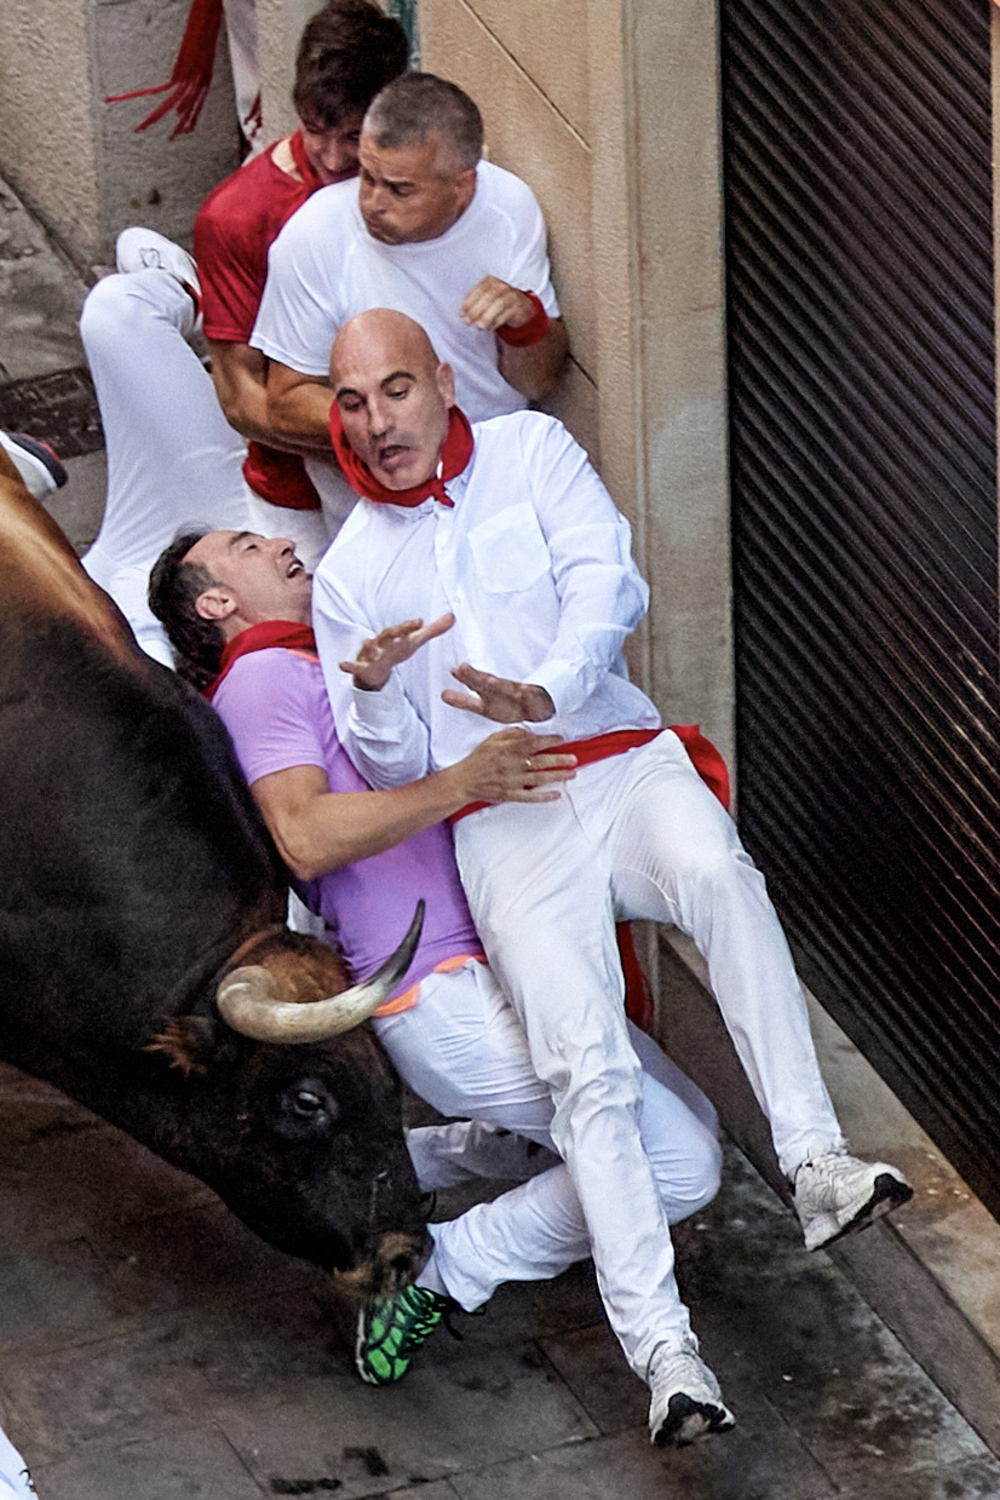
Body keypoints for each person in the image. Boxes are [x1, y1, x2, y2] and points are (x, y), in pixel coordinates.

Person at [307, 307, 914, 1446]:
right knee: (585, 1070)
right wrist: (382, 693)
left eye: (395, 390)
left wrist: (543, 686)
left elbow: (609, 585)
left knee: (720, 875)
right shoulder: (349, 575)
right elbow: (389, 764)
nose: (378, 421)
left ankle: (815, 1158)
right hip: (508, 817)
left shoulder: (532, 450)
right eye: (352, 402)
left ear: (441, 382)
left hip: (618, 759)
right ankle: (666, 1358)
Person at [147, 525, 726, 1432]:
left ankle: (426, 1159)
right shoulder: (262, 680)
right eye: (245, 546)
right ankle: (450, 1267)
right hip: (441, 992)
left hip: (503, 963)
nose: (280, 544)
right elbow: (304, 836)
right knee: (679, 1166)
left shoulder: (321, 660)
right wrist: (465, 781)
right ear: (214, 603)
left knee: (677, 1129)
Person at [81, 0, 408, 664]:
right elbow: (242, 405)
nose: (335, 155)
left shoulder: (414, 186)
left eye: (356, 136)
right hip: (282, 487)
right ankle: (171, 289)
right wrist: (393, 426)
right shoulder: (237, 217)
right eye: (319, 129)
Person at [251, 71, 569, 456]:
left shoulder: (509, 208)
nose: (372, 203)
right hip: (376, 489)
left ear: (462, 186)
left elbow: (537, 382)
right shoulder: (314, 234)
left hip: (499, 464)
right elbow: (286, 402)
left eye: (400, 189)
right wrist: (390, 424)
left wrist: (525, 322)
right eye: (367, 177)